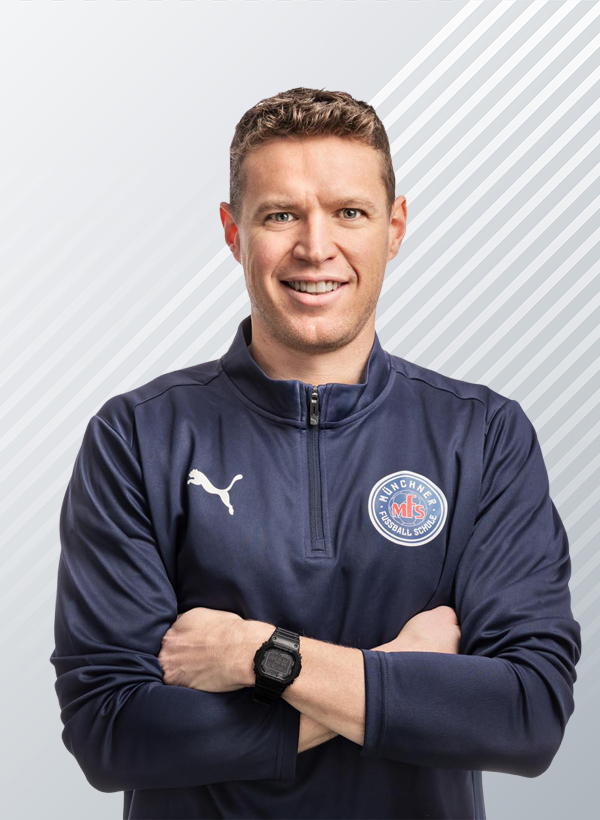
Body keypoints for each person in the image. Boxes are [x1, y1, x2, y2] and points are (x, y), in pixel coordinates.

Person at [49, 87, 581, 820]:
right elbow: (112, 732)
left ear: (395, 228)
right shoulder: (137, 437)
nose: (315, 247)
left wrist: (259, 654)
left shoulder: (484, 436)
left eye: (349, 212)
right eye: (281, 215)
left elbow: (527, 715)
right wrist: (398, 673)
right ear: (233, 232)